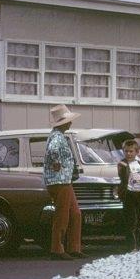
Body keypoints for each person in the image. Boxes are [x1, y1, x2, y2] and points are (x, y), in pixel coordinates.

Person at [43, 104, 85, 260]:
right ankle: (57, 249)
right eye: (68, 121)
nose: (70, 123)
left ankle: (74, 247)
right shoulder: (57, 137)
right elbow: (53, 150)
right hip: (59, 181)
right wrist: (56, 162)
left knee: (75, 214)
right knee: (63, 215)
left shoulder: (58, 135)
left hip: (63, 180)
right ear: (62, 123)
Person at [117, 139, 140, 251]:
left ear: (136, 152)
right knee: (131, 221)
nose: (129, 154)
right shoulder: (122, 164)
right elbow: (123, 177)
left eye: (131, 151)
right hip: (129, 195)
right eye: (126, 151)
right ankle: (131, 247)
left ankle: (139, 245)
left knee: (139, 220)